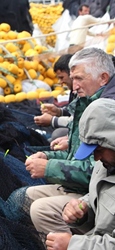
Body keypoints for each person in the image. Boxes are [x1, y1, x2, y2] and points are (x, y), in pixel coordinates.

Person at [25, 47, 115, 235]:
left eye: (79, 79)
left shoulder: (104, 111)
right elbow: (81, 154)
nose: (73, 86)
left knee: (40, 209)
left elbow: (98, 169)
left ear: (103, 78)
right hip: (91, 193)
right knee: (27, 197)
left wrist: (49, 167)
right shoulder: (87, 103)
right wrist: (47, 155)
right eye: (72, 79)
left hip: (92, 192)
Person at [46, 98, 115, 250]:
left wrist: (73, 245)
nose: (96, 158)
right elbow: (101, 200)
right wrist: (82, 211)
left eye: (99, 150)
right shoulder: (107, 163)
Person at [34, 54, 75, 145]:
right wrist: (58, 112)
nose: (60, 83)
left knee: (58, 134)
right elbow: (75, 111)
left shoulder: (87, 91)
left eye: (62, 77)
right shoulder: (74, 91)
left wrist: (52, 120)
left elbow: (78, 121)